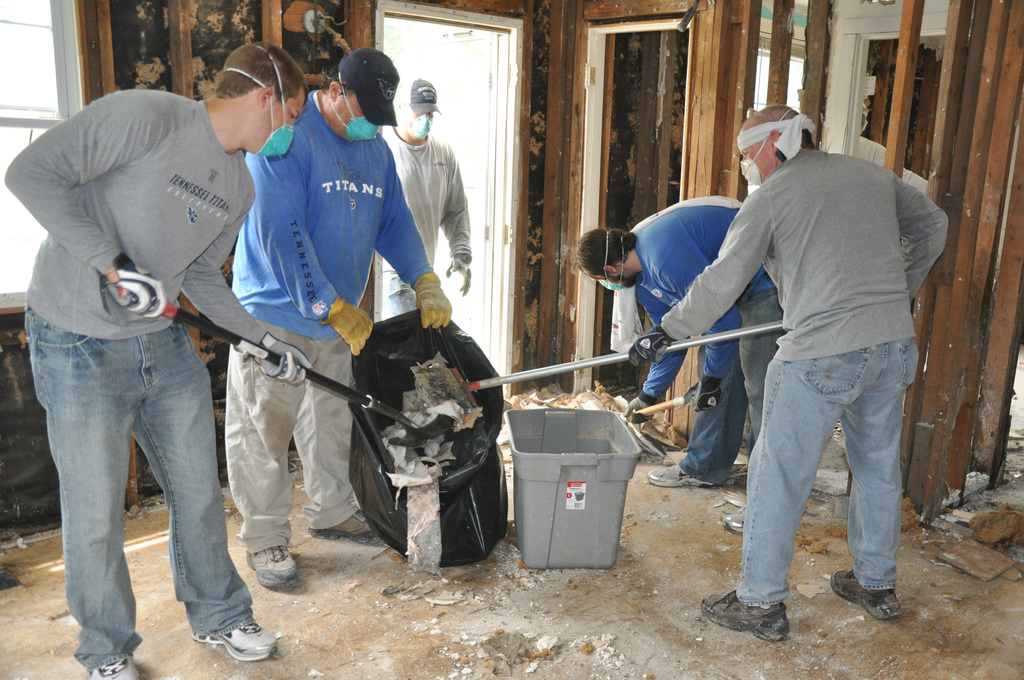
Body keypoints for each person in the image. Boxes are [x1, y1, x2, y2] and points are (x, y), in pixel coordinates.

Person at [7, 42, 310, 679]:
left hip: (161, 340)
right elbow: (29, 173)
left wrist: (262, 339)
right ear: (264, 96)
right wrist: (110, 263)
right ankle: (106, 650)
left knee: (199, 491)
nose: (288, 130)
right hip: (78, 338)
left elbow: (202, 276)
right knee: (95, 513)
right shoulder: (145, 117)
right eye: (291, 114)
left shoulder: (240, 185)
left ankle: (221, 615)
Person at [630, 105, 947, 641]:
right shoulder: (873, 176)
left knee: (778, 472)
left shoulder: (771, 198)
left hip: (820, 350)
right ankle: (875, 582)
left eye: (748, 154)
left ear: (777, 140)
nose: (747, 166)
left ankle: (759, 601)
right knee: (876, 467)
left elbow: (723, 276)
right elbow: (933, 226)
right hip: (891, 346)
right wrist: (901, 291)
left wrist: (670, 331)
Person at [226, 47, 453, 590]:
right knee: (264, 428)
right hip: (275, 315)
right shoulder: (286, 137)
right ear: (334, 92)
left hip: (338, 318)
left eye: (380, 118)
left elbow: (393, 223)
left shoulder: (373, 150)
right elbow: (281, 228)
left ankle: (331, 511)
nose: (371, 127)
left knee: (331, 421)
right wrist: (325, 302)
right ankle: (265, 538)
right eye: (364, 113)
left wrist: (423, 277)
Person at [573, 200, 783, 488]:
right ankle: (705, 468)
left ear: (610, 269)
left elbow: (724, 321)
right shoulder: (641, 279)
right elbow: (670, 337)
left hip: (764, 278)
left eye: (600, 280)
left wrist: (711, 379)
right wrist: (649, 395)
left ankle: (766, 486)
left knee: (761, 386)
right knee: (716, 377)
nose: (605, 285)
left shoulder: (663, 259)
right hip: (731, 294)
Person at [382, 78, 472, 315]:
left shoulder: (444, 153)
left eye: (430, 114)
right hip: (391, 271)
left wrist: (461, 253)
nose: (426, 119)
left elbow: (456, 210)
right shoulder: (382, 149)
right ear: (401, 107)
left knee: (424, 341)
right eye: (419, 112)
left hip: (424, 270)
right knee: (412, 341)